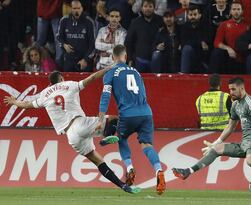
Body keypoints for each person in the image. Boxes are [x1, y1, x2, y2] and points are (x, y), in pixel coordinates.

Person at [3, 69, 138, 194]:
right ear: (61, 78)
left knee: (98, 161)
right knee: (114, 119)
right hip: (79, 123)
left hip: (71, 136)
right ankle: (106, 137)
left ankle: (122, 185)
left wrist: (15, 102)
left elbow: (27, 106)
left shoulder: (44, 94)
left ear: (51, 83)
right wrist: (108, 68)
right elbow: (92, 77)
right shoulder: (69, 84)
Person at [173, 77, 251, 197]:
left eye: (233, 89)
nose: (230, 92)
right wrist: (217, 142)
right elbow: (230, 127)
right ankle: (187, 171)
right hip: (245, 142)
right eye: (229, 89)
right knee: (216, 150)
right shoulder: (235, 105)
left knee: (250, 161)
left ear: (242, 88)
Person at [97, 44, 166, 195]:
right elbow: (143, 93)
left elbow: (106, 95)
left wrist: (101, 116)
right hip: (146, 113)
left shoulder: (110, 72)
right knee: (147, 145)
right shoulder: (136, 72)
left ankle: (129, 168)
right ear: (126, 57)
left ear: (113, 57)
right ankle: (159, 170)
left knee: (121, 139)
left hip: (128, 114)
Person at [209, 0, 248, 74]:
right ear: (230, 11)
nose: (236, 12)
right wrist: (228, 48)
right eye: (234, 9)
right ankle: (214, 79)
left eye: (238, 9)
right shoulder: (224, 25)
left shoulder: (247, 26)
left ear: (242, 11)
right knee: (216, 53)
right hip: (228, 56)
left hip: (242, 55)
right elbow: (217, 42)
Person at [124, 0, 163, 72]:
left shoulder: (161, 21)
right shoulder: (135, 22)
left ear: (154, 8)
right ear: (141, 8)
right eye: (145, 6)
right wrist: (129, 59)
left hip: (156, 58)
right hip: (139, 59)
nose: (147, 9)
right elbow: (128, 42)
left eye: (150, 6)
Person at [57, 0, 95, 72]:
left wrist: (86, 59)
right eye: (74, 8)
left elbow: (93, 44)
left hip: (84, 61)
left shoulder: (89, 22)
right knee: (68, 82)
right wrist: (64, 45)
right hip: (69, 60)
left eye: (78, 8)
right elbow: (59, 37)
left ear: (82, 8)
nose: (76, 11)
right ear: (71, 9)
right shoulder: (64, 20)